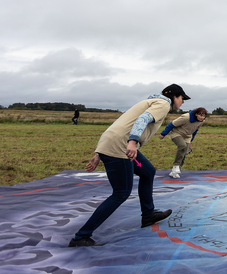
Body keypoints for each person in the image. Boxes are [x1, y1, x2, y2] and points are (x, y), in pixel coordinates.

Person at [68, 84, 189, 247]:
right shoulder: (163, 103)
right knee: (121, 193)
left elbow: (120, 124)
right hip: (122, 148)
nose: (182, 102)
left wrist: (99, 153)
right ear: (175, 96)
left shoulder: (149, 101)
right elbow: (143, 120)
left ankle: (148, 215)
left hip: (113, 144)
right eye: (182, 98)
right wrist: (132, 142)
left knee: (148, 172)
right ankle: (81, 237)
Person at [160, 107, 208, 179]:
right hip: (177, 133)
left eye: (204, 116)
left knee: (185, 153)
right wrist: (163, 134)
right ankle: (176, 165)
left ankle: (174, 171)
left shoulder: (201, 121)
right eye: (201, 115)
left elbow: (195, 131)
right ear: (196, 114)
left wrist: (191, 140)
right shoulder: (186, 117)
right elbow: (171, 124)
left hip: (187, 136)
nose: (202, 117)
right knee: (182, 146)